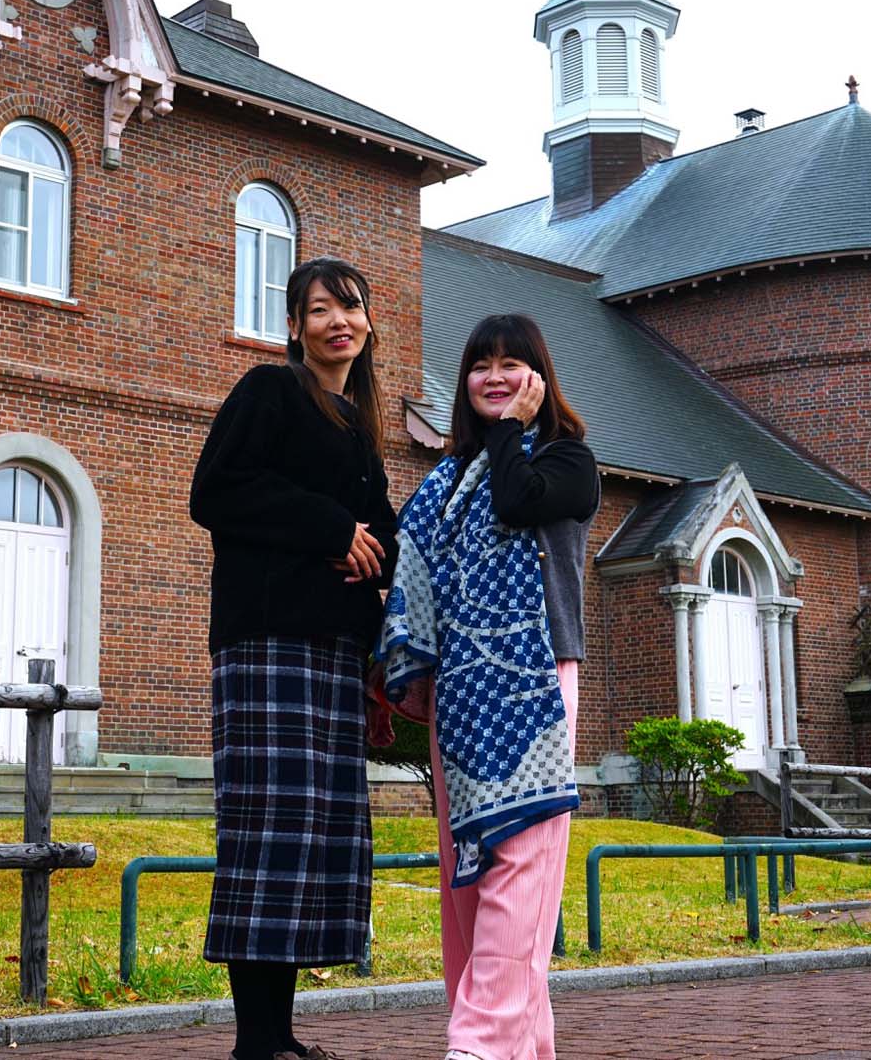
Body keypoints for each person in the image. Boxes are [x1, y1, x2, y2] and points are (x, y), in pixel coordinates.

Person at [190, 257, 398, 1060]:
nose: (338, 322)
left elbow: (384, 532)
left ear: (369, 321)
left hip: (337, 652)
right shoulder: (269, 392)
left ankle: (278, 1037)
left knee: (314, 837)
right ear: (293, 326)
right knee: (269, 831)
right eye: (319, 310)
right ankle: (256, 1042)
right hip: (269, 643)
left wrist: (373, 560)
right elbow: (216, 491)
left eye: (350, 307)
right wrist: (330, 529)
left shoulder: (359, 432)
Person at [380, 313, 600, 1060]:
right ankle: (520, 1047)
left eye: (512, 364)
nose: (495, 377)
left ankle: (477, 1044)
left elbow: (517, 499)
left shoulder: (571, 461)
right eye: (481, 365)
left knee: (519, 862)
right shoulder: (443, 485)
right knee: (465, 874)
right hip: (460, 688)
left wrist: (510, 431)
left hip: (537, 680)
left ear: (539, 377)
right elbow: (407, 561)